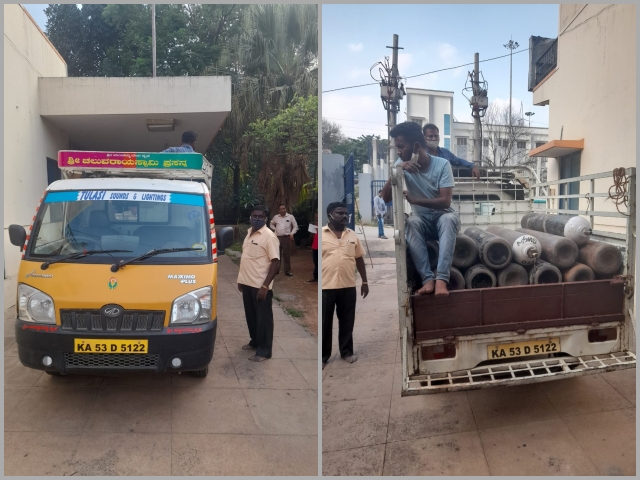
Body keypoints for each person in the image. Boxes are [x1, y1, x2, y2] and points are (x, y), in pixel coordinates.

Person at [381, 121, 459, 297]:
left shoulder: (442, 164)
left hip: (443, 217)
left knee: (448, 219)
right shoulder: (402, 165)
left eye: (401, 147)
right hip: (422, 222)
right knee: (413, 221)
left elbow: (445, 202)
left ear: (416, 146)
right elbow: (384, 198)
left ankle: (441, 280)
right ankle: (427, 280)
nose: (399, 152)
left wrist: (415, 200)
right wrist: (397, 169)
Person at [322, 202, 369, 369]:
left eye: (345, 213)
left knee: (347, 321)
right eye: (339, 213)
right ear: (329, 215)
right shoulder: (321, 235)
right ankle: (323, 356)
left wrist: (364, 281)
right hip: (326, 287)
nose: (343, 216)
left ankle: (347, 351)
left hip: (348, 286)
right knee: (324, 323)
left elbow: (359, 259)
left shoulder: (352, 235)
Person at [237, 205, 280, 362]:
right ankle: (255, 342)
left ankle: (264, 351)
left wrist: (265, 286)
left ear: (266, 219)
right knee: (251, 316)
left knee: (264, 319)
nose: (257, 218)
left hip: (260, 285)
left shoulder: (269, 237)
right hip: (247, 283)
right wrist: (241, 280)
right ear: (250, 216)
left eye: (260, 216)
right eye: (254, 215)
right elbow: (246, 259)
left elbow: (275, 263)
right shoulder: (249, 233)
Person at [270, 204, 298, 277]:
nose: (282, 210)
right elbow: (271, 224)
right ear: (278, 210)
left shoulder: (290, 217)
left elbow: (295, 226)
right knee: (277, 254)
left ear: (285, 209)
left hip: (286, 238)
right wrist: (275, 229)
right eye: (280, 209)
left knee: (286, 255)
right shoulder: (276, 217)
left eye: (283, 208)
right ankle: (276, 269)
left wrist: (292, 233)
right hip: (277, 238)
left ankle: (287, 270)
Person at [307, 211, 319, 283]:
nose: (317, 218)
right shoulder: (315, 224)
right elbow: (312, 235)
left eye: (318, 217)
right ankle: (315, 276)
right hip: (315, 245)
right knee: (315, 262)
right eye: (316, 217)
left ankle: (317, 277)